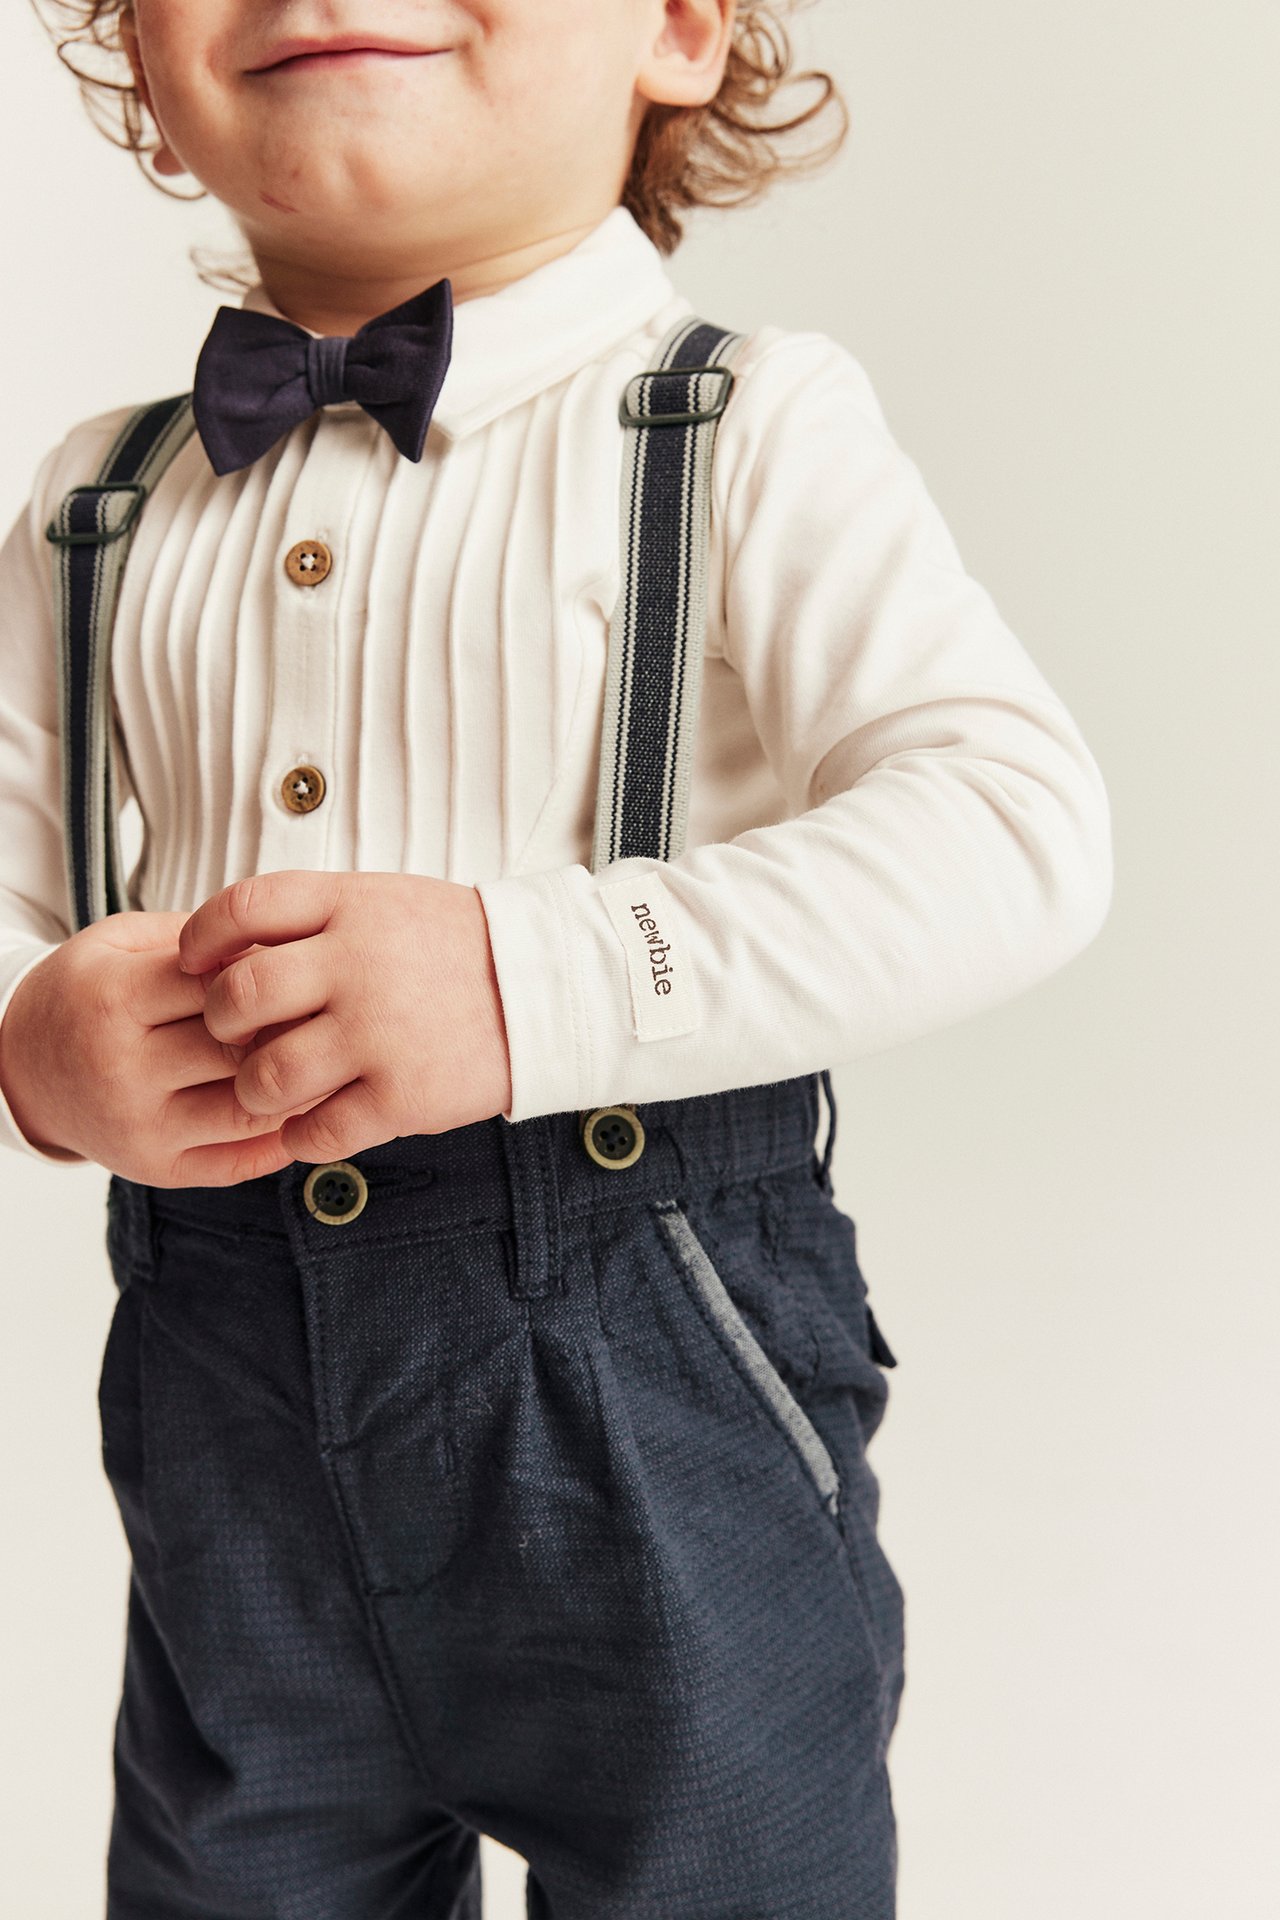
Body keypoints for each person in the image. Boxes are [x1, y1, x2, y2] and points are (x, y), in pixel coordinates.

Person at [0, 2, 1113, 1914]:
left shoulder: (738, 420)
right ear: (146, 76)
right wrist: (31, 1036)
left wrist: (537, 981)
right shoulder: (97, 499)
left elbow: (1014, 822)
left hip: (647, 1358)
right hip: (224, 1391)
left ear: (677, 27)